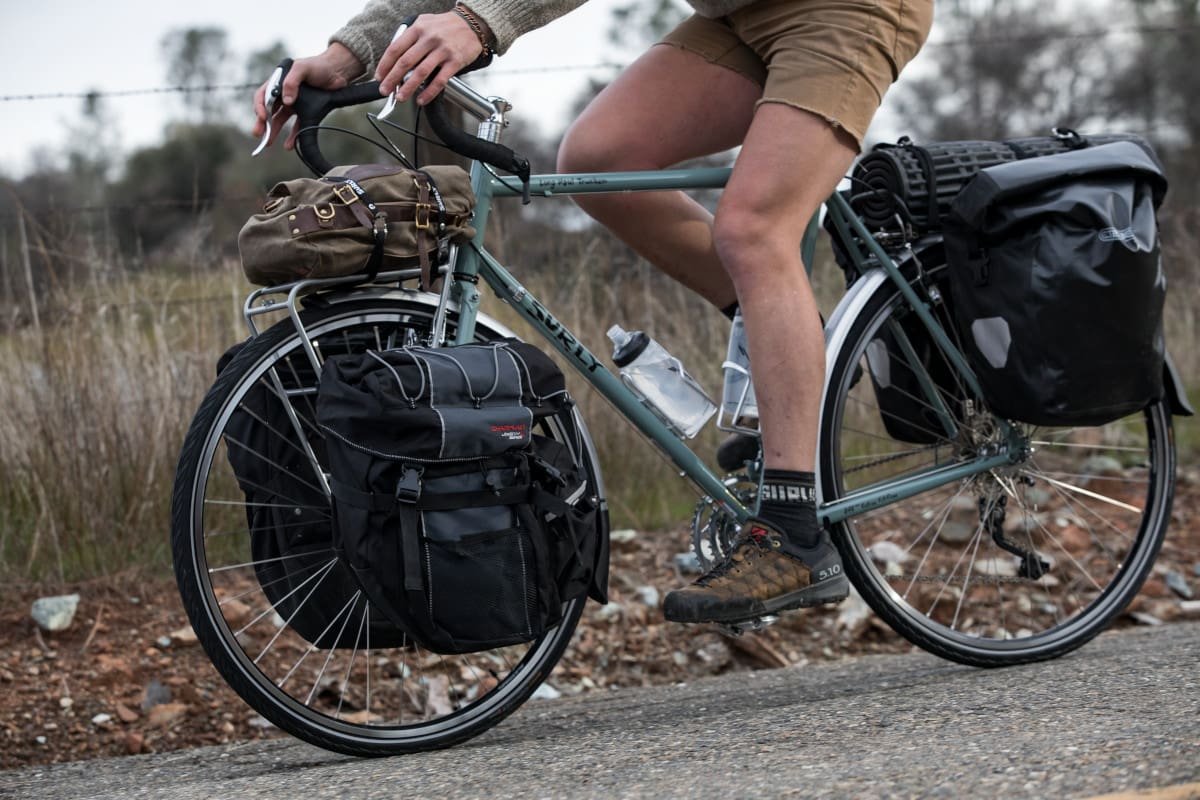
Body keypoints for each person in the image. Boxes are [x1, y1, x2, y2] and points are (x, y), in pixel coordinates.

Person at [253, 0, 933, 626]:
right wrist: (350, 52)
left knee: (753, 231)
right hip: (740, 16)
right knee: (598, 158)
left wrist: (481, 20)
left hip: (843, 9)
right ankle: (786, 341)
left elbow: (483, 16)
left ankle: (795, 533)